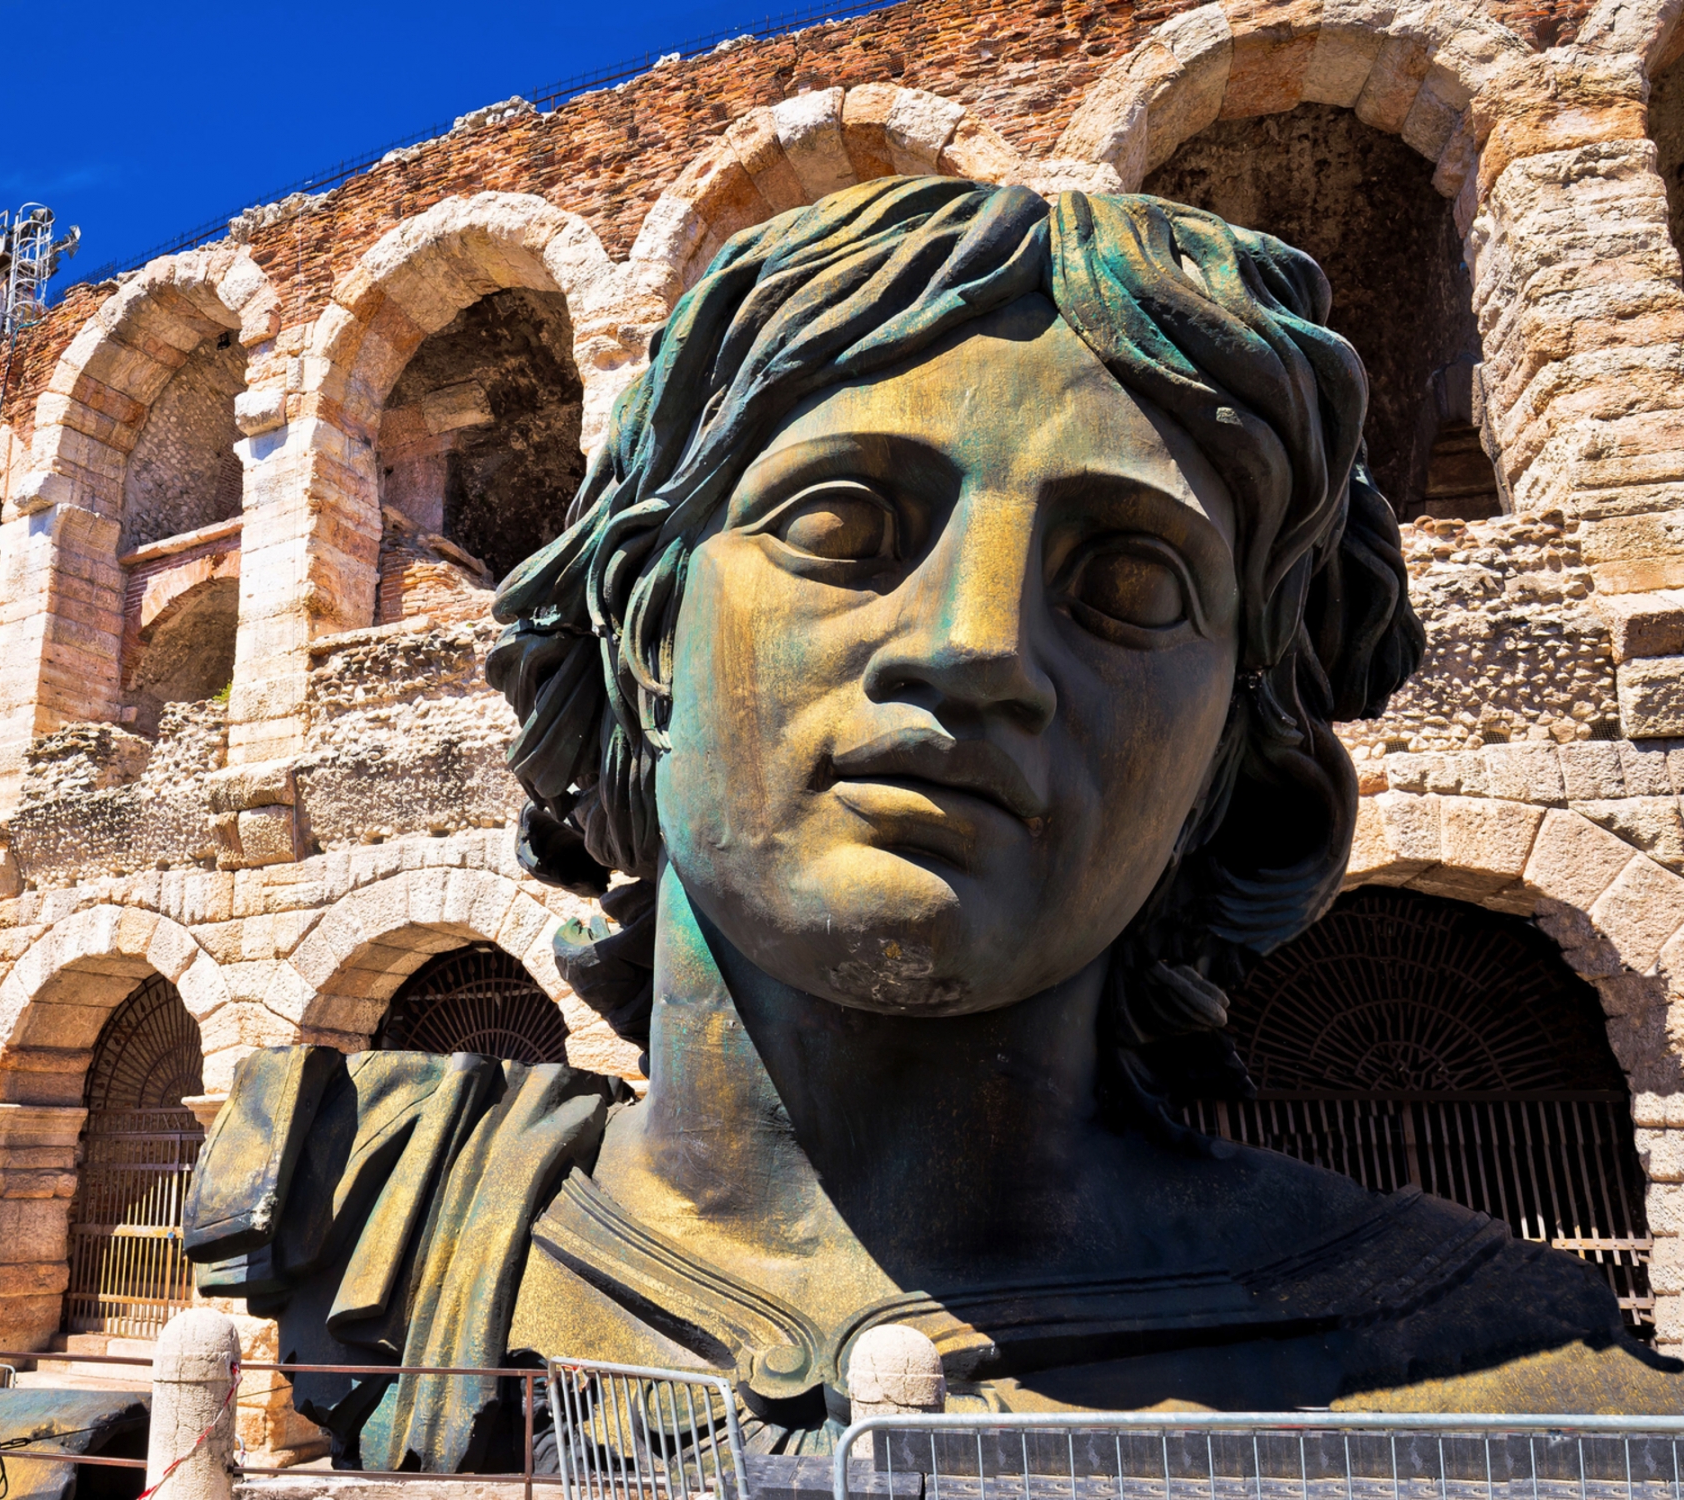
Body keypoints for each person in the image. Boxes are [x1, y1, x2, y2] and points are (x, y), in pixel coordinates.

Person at [182, 177, 1681, 1472]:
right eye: (839, 526)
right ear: (647, 637)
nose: (973, 646)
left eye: (1130, 582)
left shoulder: (1512, 1375)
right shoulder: (348, 1191)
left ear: (1235, 750)